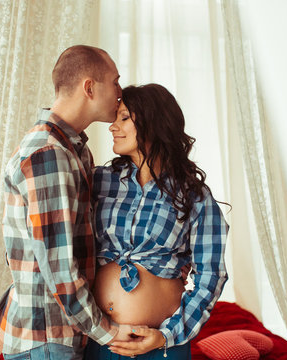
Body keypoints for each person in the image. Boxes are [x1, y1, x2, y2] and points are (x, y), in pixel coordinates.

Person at [0, 45, 137, 360]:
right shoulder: (49, 154)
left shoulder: (73, 149)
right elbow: (58, 265)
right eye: (115, 82)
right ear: (89, 87)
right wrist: (107, 332)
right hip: (50, 338)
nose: (121, 93)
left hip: (60, 335)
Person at [86, 84, 230, 359]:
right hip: (102, 340)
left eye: (124, 117)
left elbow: (211, 275)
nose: (112, 127)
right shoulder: (99, 181)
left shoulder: (193, 195)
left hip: (162, 347)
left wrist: (167, 335)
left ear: (153, 122)